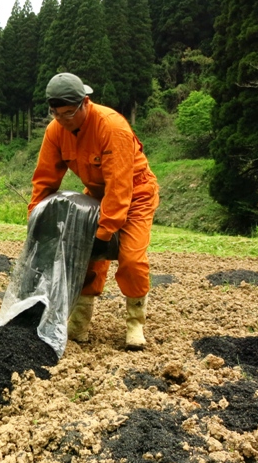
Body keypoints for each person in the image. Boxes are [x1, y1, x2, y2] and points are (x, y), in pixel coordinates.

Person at [29, 72, 160, 350]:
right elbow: (45, 179)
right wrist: (36, 218)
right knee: (81, 255)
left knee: (132, 257)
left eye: (69, 112)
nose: (63, 120)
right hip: (97, 194)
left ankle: (135, 322)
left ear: (85, 103)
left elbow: (120, 184)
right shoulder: (55, 131)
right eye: (56, 113)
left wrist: (105, 230)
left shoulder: (111, 127)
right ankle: (79, 323)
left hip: (136, 192)